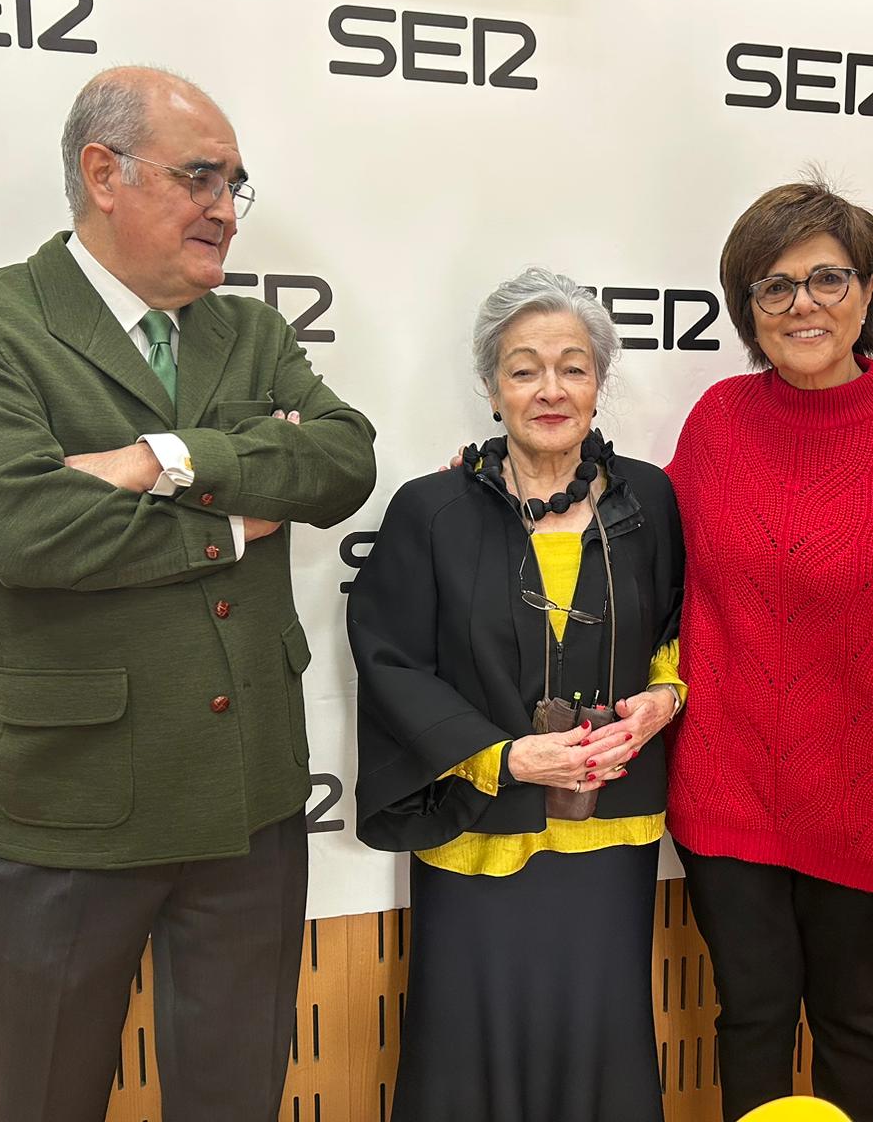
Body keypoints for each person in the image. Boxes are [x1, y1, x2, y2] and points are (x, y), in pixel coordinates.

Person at [0, 67, 377, 1122]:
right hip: (65, 809)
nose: (224, 209)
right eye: (200, 177)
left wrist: (153, 457)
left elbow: (341, 464)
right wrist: (234, 507)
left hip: (247, 803)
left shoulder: (249, 332)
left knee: (234, 1100)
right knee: (39, 1101)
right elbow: (18, 529)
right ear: (102, 173)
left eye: (235, 185)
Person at [665, 179, 873, 1122]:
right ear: (748, 310)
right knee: (751, 1017)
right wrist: (504, 484)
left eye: (827, 278)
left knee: (852, 1022)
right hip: (725, 791)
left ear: (870, 291)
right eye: (775, 286)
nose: (803, 303)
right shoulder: (719, 422)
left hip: (867, 806)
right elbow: (645, 555)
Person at [350, 268, 686, 1122]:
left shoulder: (648, 497)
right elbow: (391, 662)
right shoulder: (433, 509)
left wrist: (665, 698)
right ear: (491, 388)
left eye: (573, 367)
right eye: (524, 368)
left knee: (600, 1022)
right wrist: (503, 756)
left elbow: (683, 628)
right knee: (470, 1031)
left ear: (600, 383)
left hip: (610, 824)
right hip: (479, 826)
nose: (550, 389)